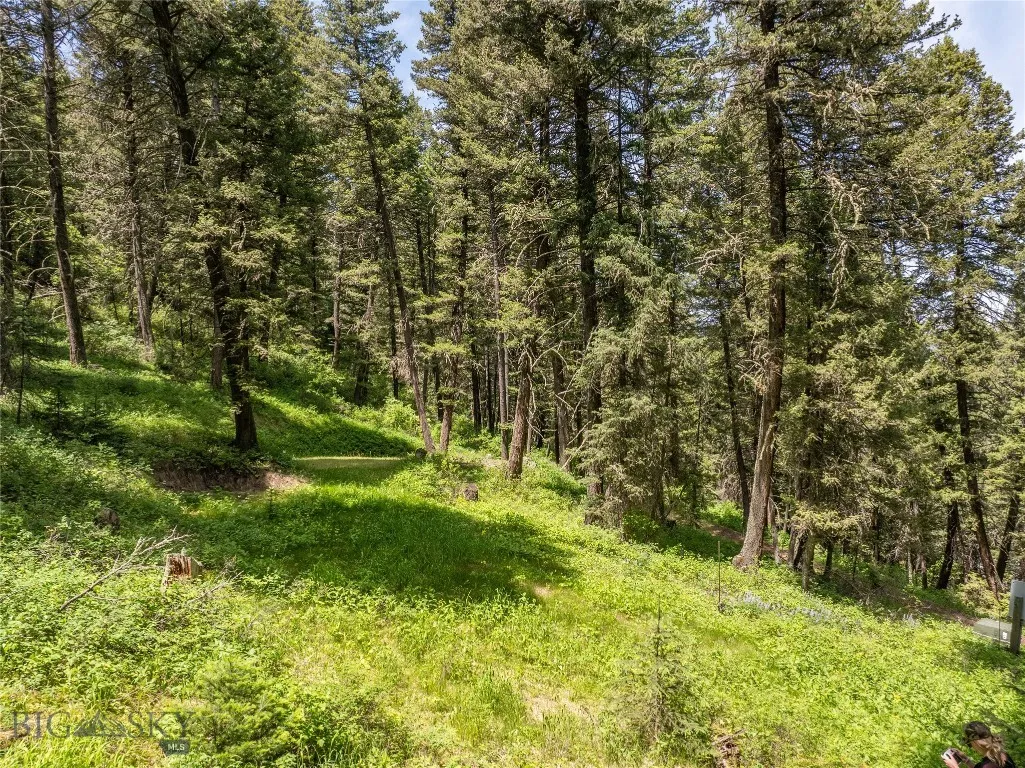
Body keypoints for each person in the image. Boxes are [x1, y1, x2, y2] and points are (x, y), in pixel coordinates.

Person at [943, 722, 1017, 768]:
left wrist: (954, 766)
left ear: (975, 742)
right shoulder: (1001, 754)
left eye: (970, 744)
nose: (971, 747)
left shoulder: (988, 765)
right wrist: (967, 760)